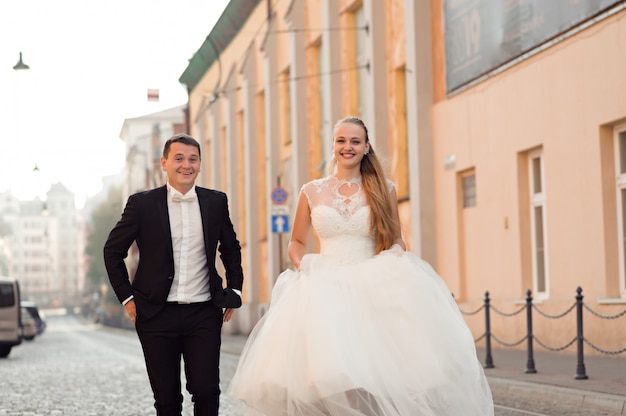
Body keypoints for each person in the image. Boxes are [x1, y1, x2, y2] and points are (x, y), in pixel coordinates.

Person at [227, 116, 494, 415]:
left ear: (366, 147)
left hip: (373, 285)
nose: (347, 147)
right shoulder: (311, 191)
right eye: (341, 140)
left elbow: (396, 238)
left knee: (375, 375)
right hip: (325, 287)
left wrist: (394, 255)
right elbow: (296, 242)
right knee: (331, 374)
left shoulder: (384, 189)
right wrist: (304, 265)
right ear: (333, 146)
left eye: (355, 141)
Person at [104, 133, 244, 416]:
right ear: (164, 163)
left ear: (200, 164)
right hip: (155, 314)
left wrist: (235, 290)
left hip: (204, 311)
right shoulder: (141, 204)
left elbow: (230, 248)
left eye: (192, 159)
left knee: (206, 391)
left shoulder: (216, 202)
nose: (186, 165)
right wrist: (127, 298)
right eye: (178, 158)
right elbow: (112, 251)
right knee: (167, 400)